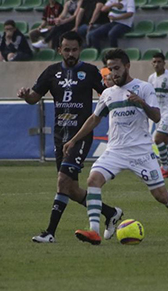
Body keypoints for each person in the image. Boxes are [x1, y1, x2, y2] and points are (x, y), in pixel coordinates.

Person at [63, 49, 168, 245]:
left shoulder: (143, 88)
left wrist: (141, 102)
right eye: (110, 69)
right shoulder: (108, 93)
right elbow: (94, 119)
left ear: (127, 66)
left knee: (161, 195)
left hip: (141, 152)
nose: (113, 73)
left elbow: (156, 117)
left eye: (117, 68)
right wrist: (74, 140)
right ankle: (94, 231)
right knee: (93, 179)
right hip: (115, 150)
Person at [17, 31, 123, 244]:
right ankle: (111, 213)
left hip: (80, 135)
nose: (71, 53)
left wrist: (111, 84)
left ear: (80, 50)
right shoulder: (51, 73)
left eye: (74, 49)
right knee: (71, 189)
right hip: (60, 136)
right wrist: (26, 95)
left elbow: (109, 94)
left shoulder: (90, 71)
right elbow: (34, 98)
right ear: (59, 50)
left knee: (62, 181)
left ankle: (50, 233)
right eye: (67, 49)